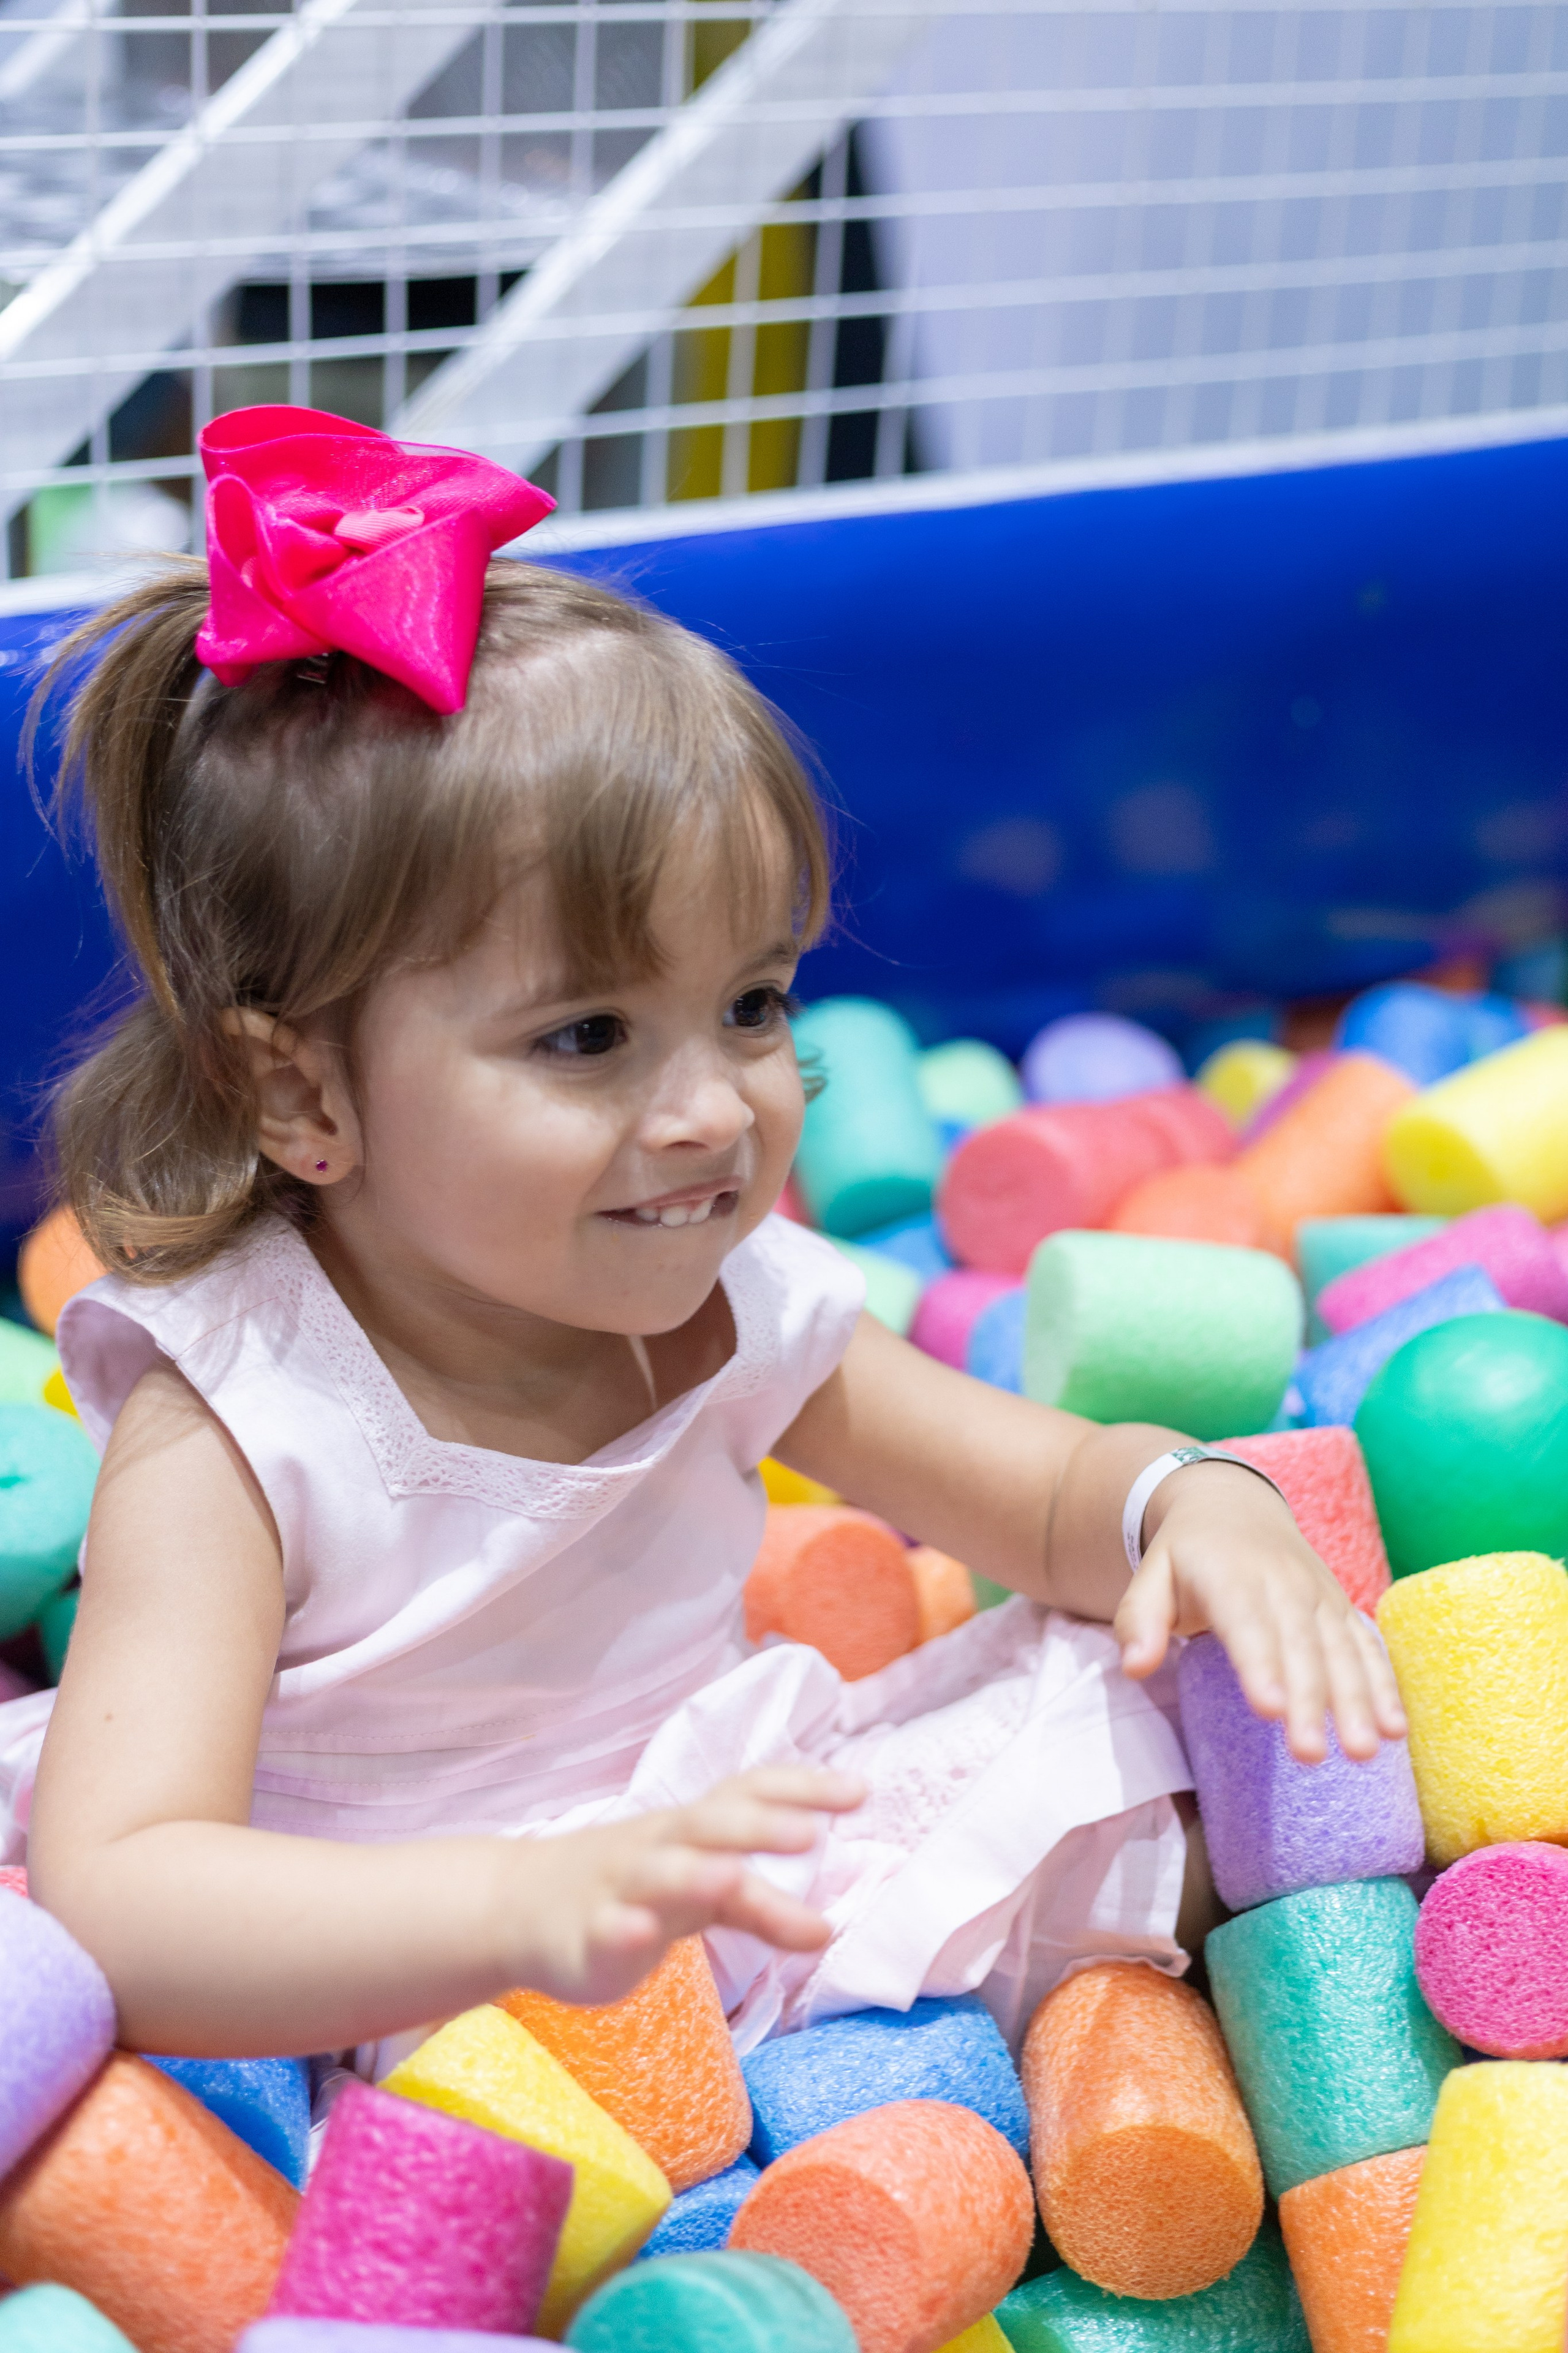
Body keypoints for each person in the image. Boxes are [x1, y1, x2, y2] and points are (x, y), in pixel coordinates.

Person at [6, 406, 1404, 2077]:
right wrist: (520, 1905)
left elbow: (1036, 1498)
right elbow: (125, 1890)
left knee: (1161, 1697)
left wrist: (1198, 1501)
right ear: (299, 1091)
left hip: (709, 1868)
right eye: (587, 1036)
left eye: (750, 1002)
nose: (713, 1111)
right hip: (366, 1973)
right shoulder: (238, 1416)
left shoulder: (736, 1304)